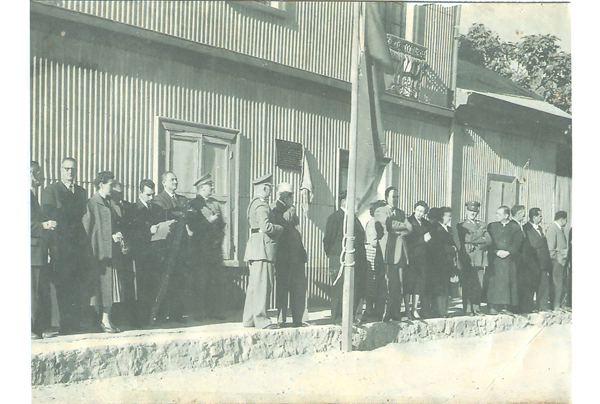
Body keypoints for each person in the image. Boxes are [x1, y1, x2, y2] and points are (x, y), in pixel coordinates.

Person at [41, 157, 88, 334]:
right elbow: (49, 216)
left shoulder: (82, 192)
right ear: (60, 170)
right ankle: (61, 324)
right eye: (66, 169)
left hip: (78, 246)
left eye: (73, 169)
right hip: (60, 246)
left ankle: (73, 323)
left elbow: (82, 217)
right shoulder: (51, 191)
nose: (70, 172)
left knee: (76, 284)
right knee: (62, 284)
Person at [149, 171, 193, 325]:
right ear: (164, 183)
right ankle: (160, 314)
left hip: (181, 246)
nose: (175, 182)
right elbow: (164, 215)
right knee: (163, 280)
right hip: (165, 248)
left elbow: (183, 214)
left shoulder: (181, 199)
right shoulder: (159, 200)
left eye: (176, 179)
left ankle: (176, 313)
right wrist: (180, 214)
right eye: (171, 180)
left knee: (179, 280)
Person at [82, 171, 123, 333]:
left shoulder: (109, 202)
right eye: (110, 185)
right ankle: (103, 321)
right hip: (98, 252)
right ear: (101, 185)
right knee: (100, 288)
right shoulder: (92, 203)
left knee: (110, 287)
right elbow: (87, 228)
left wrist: (116, 235)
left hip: (111, 251)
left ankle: (107, 319)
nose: (112, 188)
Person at [242, 174, 283, 329]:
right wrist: (280, 228)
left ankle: (249, 319)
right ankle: (261, 319)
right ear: (265, 188)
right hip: (262, 249)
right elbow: (266, 227)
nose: (270, 191)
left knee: (254, 286)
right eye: (269, 188)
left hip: (256, 247)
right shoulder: (262, 205)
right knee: (262, 285)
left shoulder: (254, 204)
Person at [323, 191, 367, 324]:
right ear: (344, 202)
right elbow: (328, 241)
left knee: (355, 289)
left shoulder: (355, 219)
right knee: (339, 289)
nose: (356, 203)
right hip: (340, 260)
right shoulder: (335, 218)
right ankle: (337, 318)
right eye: (353, 200)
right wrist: (335, 258)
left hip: (356, 261)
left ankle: (350, 317)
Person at [188, 173, 227, 320]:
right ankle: (198, 312)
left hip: (214, 249)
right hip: (200, 249)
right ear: (202, 188)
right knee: (200, 281)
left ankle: (214, 311)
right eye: (210, 185)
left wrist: (219, 241)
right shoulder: (193, 205)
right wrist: (208, 222)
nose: (212, 187)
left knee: (215, 281)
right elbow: (192, 226)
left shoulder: (215, 204)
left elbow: (222, 226)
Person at [122, 179, 160, 326]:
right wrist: (147, 231)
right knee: (139, 288)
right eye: (148, 195)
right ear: (140, 193)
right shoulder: (133, 209)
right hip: (138, 255)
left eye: (152, 195)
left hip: (152, 253)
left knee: (150, 286)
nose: (151, 198)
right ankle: (137, 320)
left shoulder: (155, 209)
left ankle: (148, 317)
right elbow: (130, 232)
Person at [271, 182, 307, 327]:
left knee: (296, 288)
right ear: (284, 196)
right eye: (289, 195)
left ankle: (297, 319)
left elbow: (296, 232)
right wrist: (289, 212)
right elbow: (281, 227)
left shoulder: (290, 210)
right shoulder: (276, 210)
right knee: (282, 287)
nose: (291, 198)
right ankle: (281, 319)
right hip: (283, 256)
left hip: (295, 256)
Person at [31, 161, 57, 339]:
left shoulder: (33, 195)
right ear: (32, 173)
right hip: (31, 251)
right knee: (31, 290)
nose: (42, 178)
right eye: (39, 174)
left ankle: (38, 327)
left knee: (38, 290)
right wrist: (44, 225)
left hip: (38, 251)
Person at [381, 187, 412, 321]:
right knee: (389, 285)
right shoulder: (381, 211)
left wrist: (400, 230)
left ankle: (396, 312)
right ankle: (385, 313)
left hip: (400, 253)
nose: (395, 200)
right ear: (387, 198)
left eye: (397, 197)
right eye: (393, 197)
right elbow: (389, 225)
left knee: (399, 284)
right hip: (388, 252)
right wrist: (401, 226)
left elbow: (410, 228)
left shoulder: (401, 212)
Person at [486, 206, 524, 315]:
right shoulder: (492, 226)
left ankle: (505, 306)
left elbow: (518, 242)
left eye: (499, 214)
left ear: (506, 215)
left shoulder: (514, 227)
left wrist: (509, 252)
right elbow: (489, 241)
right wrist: (495, 251)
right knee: (494, 283)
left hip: (509, 260)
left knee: (507, 283)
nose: (497, 216)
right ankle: (493, 306)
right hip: (495, 259)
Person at [457, 201, 490, 316]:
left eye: (475, 212)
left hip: (480, 258)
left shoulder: (481, 223)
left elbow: (488, 240)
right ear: (466, 211)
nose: (473, 213)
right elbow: (467, 238)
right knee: (468, 284)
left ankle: (477, 307)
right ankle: (468, 308)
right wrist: (480, 233)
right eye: (471, 211)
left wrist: (477, 241)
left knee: (478, 285)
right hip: (469, 258)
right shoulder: (462, 225)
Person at [427, 207, 458, 318]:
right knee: (439, 287)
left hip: (447, 262)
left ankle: (444, 311)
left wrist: (453, 249)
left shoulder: (448, 229)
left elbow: (453, 243)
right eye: (448, 216)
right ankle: (440, 311)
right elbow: (437, 246)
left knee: (445, 286)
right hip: (438, 262)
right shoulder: (435, 228)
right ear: (442, 216)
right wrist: (451, 249)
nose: (450, 218)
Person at [404, 200, 432, 320]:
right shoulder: (409, 221)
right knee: (409, 283)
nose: (419, 213)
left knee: (419, 284)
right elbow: (408, 240)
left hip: (423, 258)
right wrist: (422, 239)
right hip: (411, 257)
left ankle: (414, 309)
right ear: (414, 209)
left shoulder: (426, 223)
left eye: (422, 211)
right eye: (418, 210)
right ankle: (406, 309)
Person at [522, 208, 552, 312]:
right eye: (540, 216)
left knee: (543, 284)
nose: (541, 218)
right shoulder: (526, 228)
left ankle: (543, 305)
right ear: (534, 217)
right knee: (530, 285)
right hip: (533, 262)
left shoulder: (540, 228)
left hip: (542, 261)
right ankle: (528, 306)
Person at [363, 200, 388, 320]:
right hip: (373, 255)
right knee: (371, 284)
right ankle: (369, 311)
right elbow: (372, 241)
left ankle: (377, 311)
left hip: (379, 254)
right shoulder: (373, 223)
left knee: (378, 284)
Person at [546, 211, 569, 311]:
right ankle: (555, 306)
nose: (566, 221)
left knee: (560, 283)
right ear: (562, 219)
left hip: (561, 261)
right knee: (557, 284)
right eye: (565, 219)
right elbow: (551, 248)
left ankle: (559, 304)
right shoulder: (553, 229)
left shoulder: (559, 229)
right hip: (557, 262)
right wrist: (557, 259)